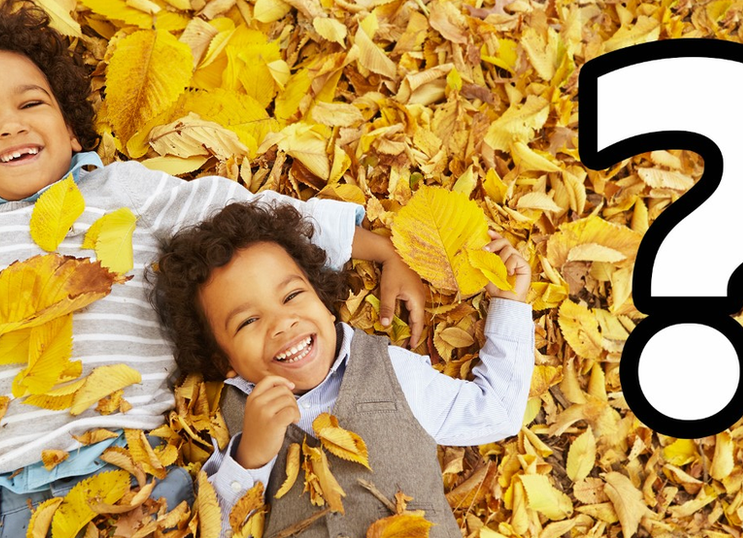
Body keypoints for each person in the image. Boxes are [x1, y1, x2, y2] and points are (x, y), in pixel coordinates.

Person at [0, 0, 425, 535]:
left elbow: (247, 217)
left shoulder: (121, 190)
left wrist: (380, 248)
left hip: (139, 468)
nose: (9, 125)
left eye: (30, 104)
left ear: (70, 130)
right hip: (9, 493)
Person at [151, 201, 534, 537]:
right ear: (225, 363)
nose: (282, 323)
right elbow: (217, 526)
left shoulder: (393, 372)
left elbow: (495, 412)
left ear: (322, 297)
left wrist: (509, 305)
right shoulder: (229, 419)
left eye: (292, 295)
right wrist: (250, 459)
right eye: (248, 321)